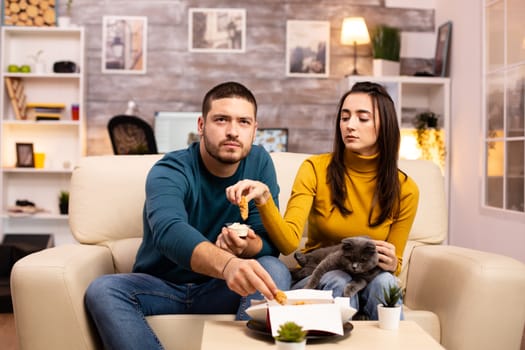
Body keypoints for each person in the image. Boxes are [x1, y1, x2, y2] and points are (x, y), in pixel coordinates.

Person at [85, 81, 291, 349]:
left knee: (273, 269)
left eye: (243, 122)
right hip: (162, 287)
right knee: (103, 291)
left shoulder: (259, 162)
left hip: (221, 290)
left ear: (255, 129)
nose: (232, 131)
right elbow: (169, 231)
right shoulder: (170, 169)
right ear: (201, 125)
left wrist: (246, 246)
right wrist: (228, 264)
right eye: (221, 119)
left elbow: (268, 242)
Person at [226, 81, 419, 320]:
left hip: (369, 277)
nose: (350, 125)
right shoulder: (315, 169)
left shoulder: (406, 189)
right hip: (320, 274)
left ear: (385, 125)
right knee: (337, 279)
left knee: (387, 283)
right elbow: (288, 244)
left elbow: (396, 264)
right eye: (345, 117)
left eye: (362, 118)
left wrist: (391, 262)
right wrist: (264, 198)